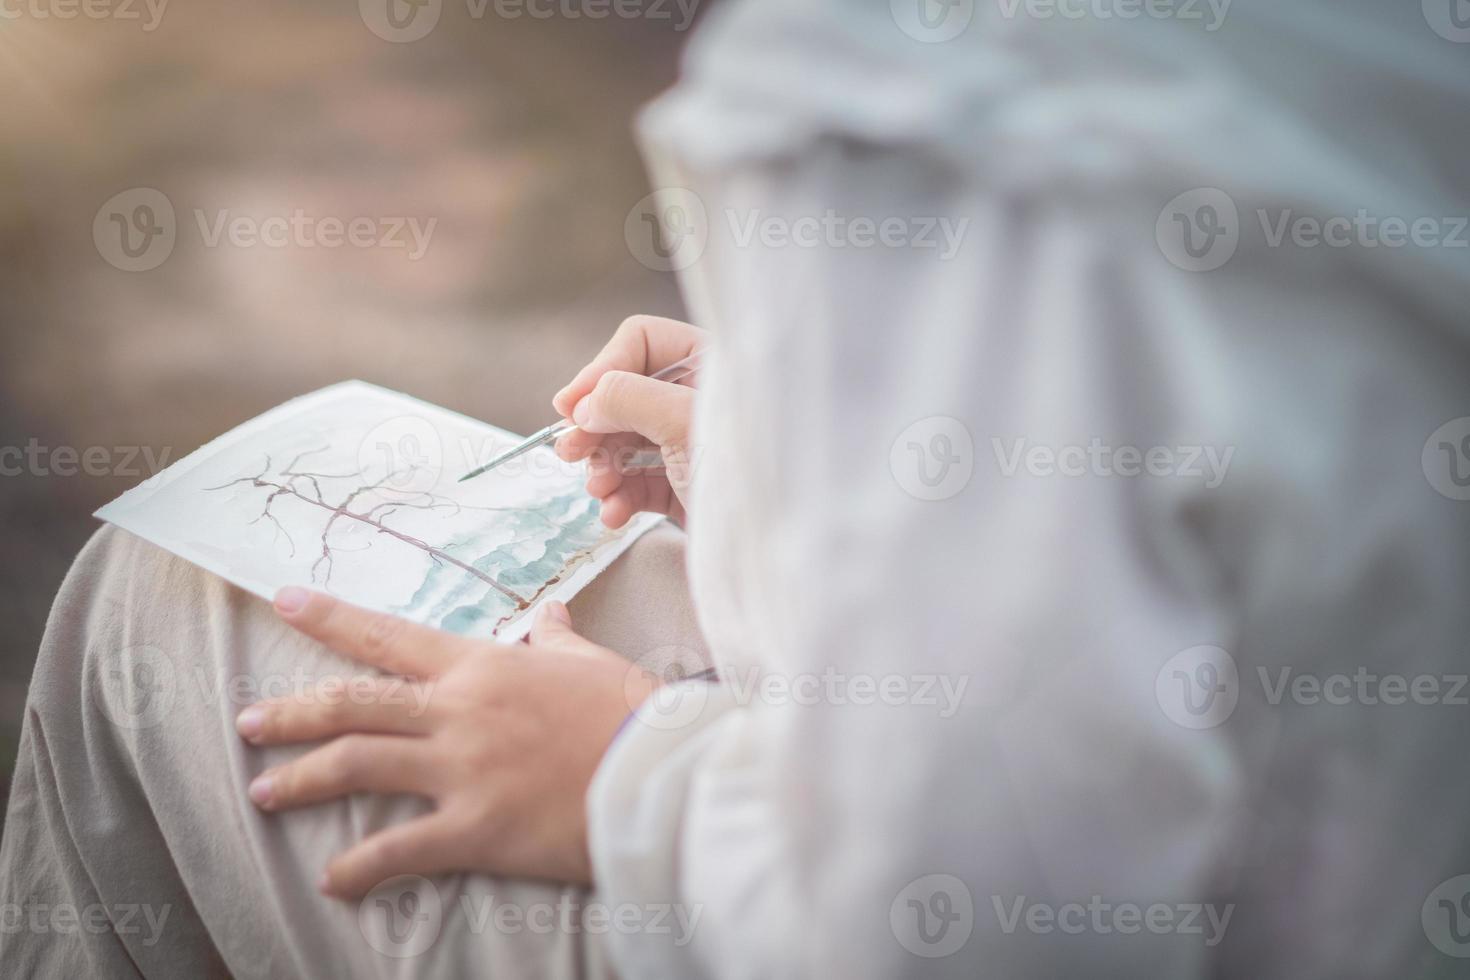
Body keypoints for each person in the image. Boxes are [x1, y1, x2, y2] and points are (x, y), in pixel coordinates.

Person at [6, 0, 1470, 977]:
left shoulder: (910, 94)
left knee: (162, 600)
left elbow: (974, 917)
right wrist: (808, 466)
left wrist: (620, 775)